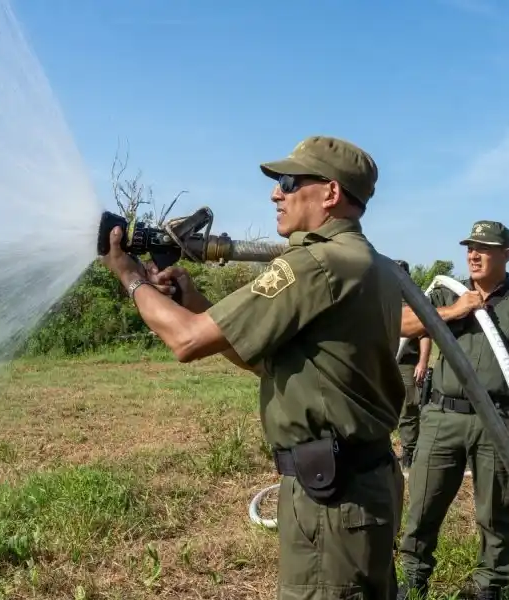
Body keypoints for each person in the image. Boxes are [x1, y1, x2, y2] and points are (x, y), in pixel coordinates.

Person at [99, 135, 407, 599]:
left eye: (287, 181)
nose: (274, 194)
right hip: (363, 488)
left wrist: (129, 274)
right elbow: (271, 361)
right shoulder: (371, 265)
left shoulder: (314, 265)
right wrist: (198, 302)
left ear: (330, 193)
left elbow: (185, 341)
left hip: (332, 501)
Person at [396, 221, 509, 600]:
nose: (473, 254)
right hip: (442, 416)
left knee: (495, 511)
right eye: (470, 247)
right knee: (424, 504)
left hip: (498, 420)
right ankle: (413, 579)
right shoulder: (444, 293)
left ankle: (489, 585)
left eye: (483, 248)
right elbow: (401, 324)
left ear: (507, 254)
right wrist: (454, 311)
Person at [393, 259, 433, 470]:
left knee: (409, 410)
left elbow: (425, 334)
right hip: (385, 363)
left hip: (408, 364)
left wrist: (422, 362)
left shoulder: (415, 301)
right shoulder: (384, 298)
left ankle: (410, 453)